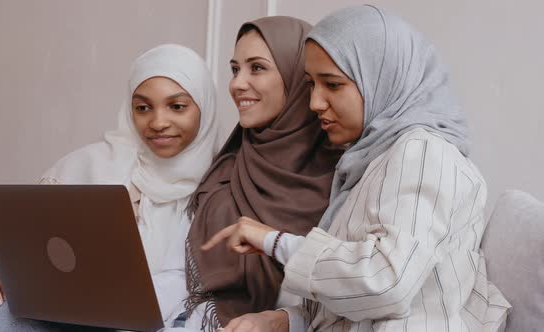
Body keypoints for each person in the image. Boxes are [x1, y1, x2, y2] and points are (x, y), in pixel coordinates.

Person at [203, 5, 511, 332]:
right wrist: (281, 321)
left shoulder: (423, 153)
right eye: (311, 84)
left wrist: (275, 242)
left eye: (333, 85)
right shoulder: (369, 159)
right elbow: (350, 302)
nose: (315, 103)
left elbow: (385, 283)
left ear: (383, 78)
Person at [0, 43, 220, 331]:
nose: (158, 122)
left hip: (141, 319)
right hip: (59, 304)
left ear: (204, 107)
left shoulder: (223, 185)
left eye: (177, 106)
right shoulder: (95, 162)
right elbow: (24, 230)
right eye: (143, 107)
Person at [180, 16, 341, 331]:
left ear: (297, 77)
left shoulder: (345, 177)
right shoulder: (223, 173)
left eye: (257, 67)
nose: (237, 84)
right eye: (235, 69)